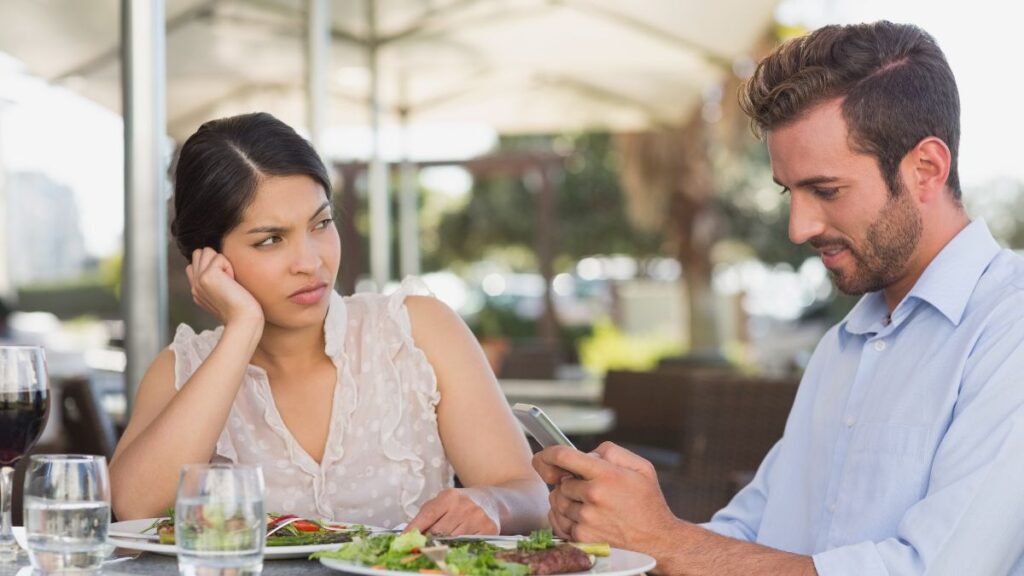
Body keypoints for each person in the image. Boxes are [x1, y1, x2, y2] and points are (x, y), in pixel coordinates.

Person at [533, 21, 1024, 575]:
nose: (799, 227)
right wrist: (625, 530)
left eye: (826, 190)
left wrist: (665, 540)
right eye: (790, 191)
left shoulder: (1009, 331)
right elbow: (750, 532)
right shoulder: (848, 343)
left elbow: (940, 570)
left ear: (926, 169)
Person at [110, 112, 548, 535]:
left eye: (321, 223)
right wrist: (241, 330)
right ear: (209, 260)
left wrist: (492, 504)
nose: (310, 262)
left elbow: (528, 491)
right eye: (270, 240)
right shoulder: (182, 369)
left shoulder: (415, 333)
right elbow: (133, 509)